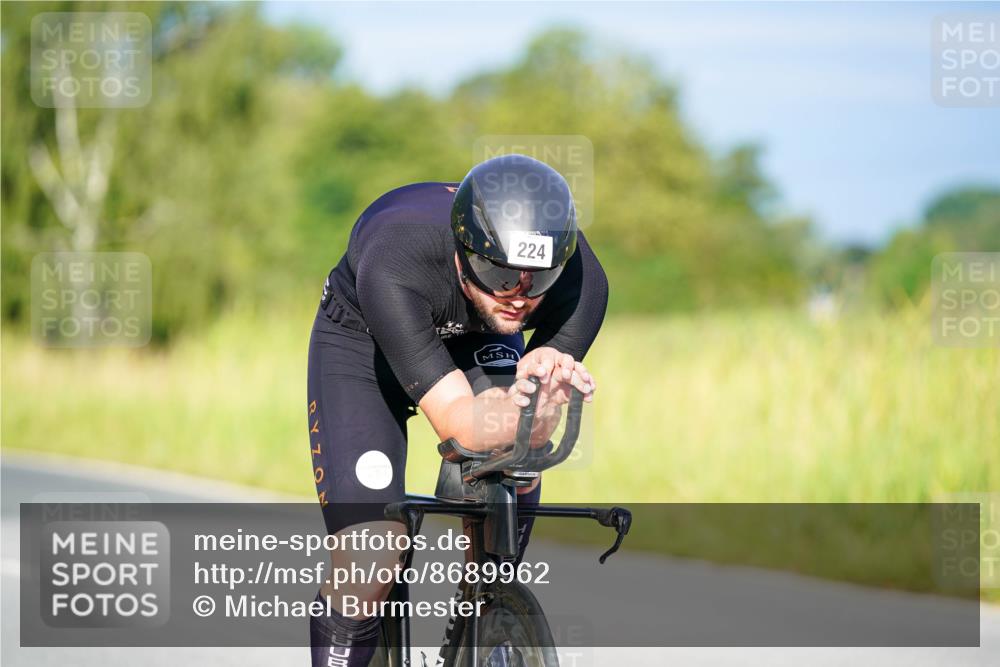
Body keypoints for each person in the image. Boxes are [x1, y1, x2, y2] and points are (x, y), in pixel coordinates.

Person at [306, 154, 608, 666]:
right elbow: (460, 425)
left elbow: (528, 419)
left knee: (517, 458)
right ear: (462, 253)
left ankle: (485, 612)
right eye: (498, 273)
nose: (518, 297)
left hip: (477, 336)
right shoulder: (396, 258)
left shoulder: (582, 284)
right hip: (363, 345)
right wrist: (520, 415)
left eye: (537, 279)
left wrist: (543, 406)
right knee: (371, 557)